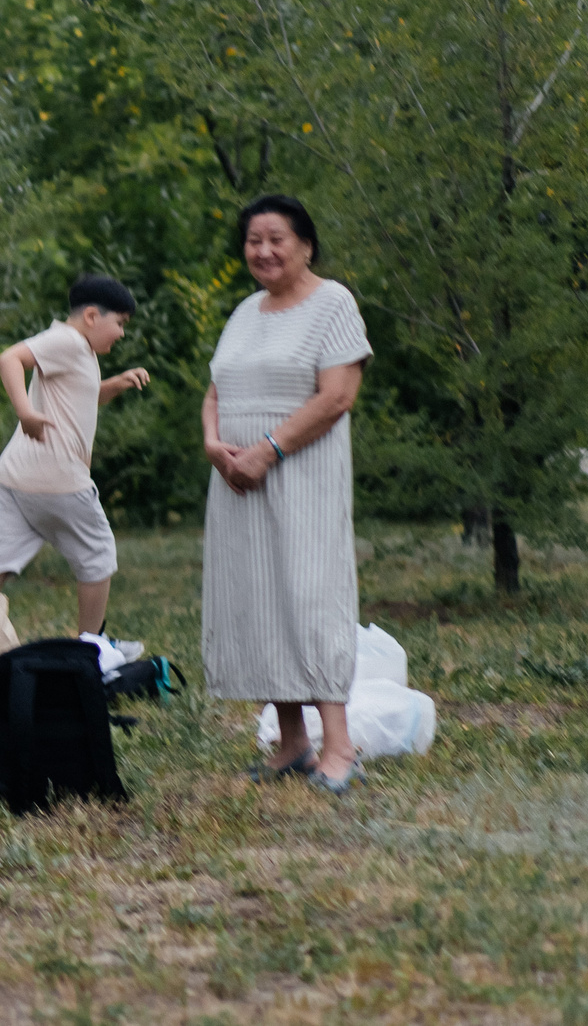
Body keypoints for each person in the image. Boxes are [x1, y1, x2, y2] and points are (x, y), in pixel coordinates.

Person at [201, 194, 371, 796]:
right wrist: (215, 444)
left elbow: (336, 398)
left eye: (277, 239)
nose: (264, 251)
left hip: (301, 476)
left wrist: (267, 451)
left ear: (305, 245)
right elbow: (216, 388)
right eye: (254, 241)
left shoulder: (334, 304)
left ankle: (339, 746)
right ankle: (292, 741)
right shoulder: (245, 311)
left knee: (309, 595)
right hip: (236, 483)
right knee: (260, 600)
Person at [0, 274, 150, 637]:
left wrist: (117, 383)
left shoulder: (81, 351)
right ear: (92, 316)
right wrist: (25, 412)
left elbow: (80, 396)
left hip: (16, 477)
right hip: (57, 478)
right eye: (120, 324)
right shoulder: (69, 341)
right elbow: (10, 358)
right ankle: (90, 648)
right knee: (98, 557)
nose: (122, 333)